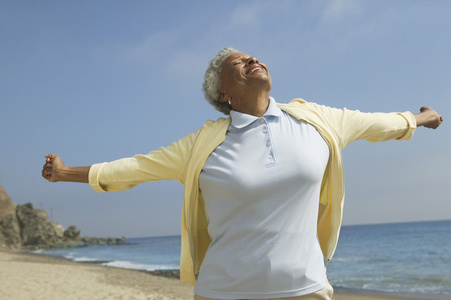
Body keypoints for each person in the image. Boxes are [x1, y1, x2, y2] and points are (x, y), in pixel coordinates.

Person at [42, 47, 442, 300]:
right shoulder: (202, 144)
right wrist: (63, 173)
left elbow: (378, 123)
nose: (253, 60)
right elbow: (133, 168)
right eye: (239, 63)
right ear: (223, 95)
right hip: (223, 293)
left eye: (254, 57)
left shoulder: (317, 120)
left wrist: (422, 118)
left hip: (305, 289)